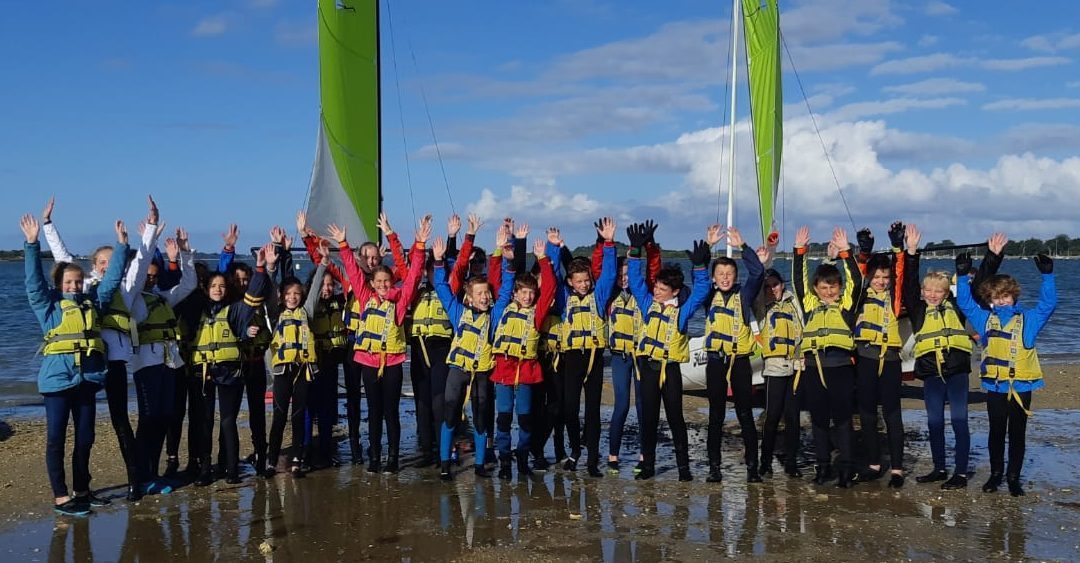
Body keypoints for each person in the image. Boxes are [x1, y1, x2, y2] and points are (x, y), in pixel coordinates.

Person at [41, 196, 160, 501]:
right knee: (84, 432)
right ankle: (82, 486)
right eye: (102, 263)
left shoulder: (125, 287)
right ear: (94, 267)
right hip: (88, 365)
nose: (108, 266)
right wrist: (48, 226)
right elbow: (61, 258)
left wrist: (150, 227)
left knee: (120, 420)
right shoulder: (85, 288)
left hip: (115, 363)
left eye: (112, 262)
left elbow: (142, 259)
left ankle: (135, 480)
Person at [22, 213, 129, 515]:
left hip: (87, 380)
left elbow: (111, 281)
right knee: (56, 440)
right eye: (69, 281)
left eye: (78, 281)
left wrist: (122, 247)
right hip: (57, 383)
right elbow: (33, 282)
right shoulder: (48, 306)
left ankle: (82, 490)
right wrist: (32, 244)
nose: (74, 285)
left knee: (85, 439)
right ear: (59, 284)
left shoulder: (94, 302)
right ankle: (60, 496)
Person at [903, 227, 1006, 490]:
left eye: (939, 291)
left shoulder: (958, 308)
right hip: (931, 374)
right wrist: (911, 252)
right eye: (929, 291)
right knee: (934, 422)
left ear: (946, 293)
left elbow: (980, 285)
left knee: (959, 421)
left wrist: (992, 257)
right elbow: (908, 284)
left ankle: (960, 473)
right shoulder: (917, 310)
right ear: (923, 292)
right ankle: (939, 468)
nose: (933, 295)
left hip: (957, 371)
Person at [955, 246, 1056, 497]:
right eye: (996, 297)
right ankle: (995, 474)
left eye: (1005, 297)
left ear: (1014, 296)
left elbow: (1048, 304)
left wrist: (1048, 276)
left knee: (1017, 434)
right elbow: (964, 303)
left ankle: (1013, 478)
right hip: (995, 386)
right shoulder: (984, 320)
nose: (1001, 301)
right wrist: (961, 275)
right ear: (990, 299)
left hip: (1021, 386)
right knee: (996, 432)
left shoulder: (1029, 321)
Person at [331, 217, 427, 473]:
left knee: (390, 412)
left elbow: (414, 271)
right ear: (371, 284)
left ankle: (393, 458)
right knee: (373, 412)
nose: (384, 285)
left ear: (392, 283)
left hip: (393, 363)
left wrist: (417, 243)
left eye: (388, 281)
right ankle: (374, 456)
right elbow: (352, 270)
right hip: (368, 362)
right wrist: (342, 243)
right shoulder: (364, 296)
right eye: (379, 282)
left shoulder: (400, 300)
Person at [625, 222, 711, 481]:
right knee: (648, 419)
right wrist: (636, 250)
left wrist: (700, 267)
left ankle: (683, 468)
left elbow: (701, 292)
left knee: (675, 418)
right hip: (648, 367)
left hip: (670, 369)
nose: (657, 292)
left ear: (674, 292)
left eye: (662, 290)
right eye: (657, 288)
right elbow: (637, 280)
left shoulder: (683, 312)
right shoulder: (646, 302)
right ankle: (648, 465)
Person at [190, 245, 270, 485]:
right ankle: (205, 468)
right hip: (203, 371)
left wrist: (260, 267)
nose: (217, 290)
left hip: (228, 371)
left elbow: (254, 294)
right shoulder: (196, 308)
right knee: (205, 421)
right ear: (206, 288)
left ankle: (232, 469)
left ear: (228, 289)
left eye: (222, 286)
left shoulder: (234, 310)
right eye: (213, 286)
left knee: (227, 420)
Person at [128, 226, 197, 493]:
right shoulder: (133, 300)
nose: (151, 280)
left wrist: (185, 253)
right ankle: (141, 475)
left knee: (164, 417)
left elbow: (189, 284)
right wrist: (150, 239)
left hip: (169, 364)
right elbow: (135, 274)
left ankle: (153, 473)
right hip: (147, 366)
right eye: (147, 276)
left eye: (155, 277)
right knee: (149, 419)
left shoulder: (162, 297)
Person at [792, 226, 863, 488]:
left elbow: (857, 280)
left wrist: (846, 252)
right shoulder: (810, 305)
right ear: (816, 288)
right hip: (813, 367)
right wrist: (800, 252)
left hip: (840, 367)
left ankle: (846, 470)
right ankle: (822, 467)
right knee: (818, 420)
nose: (829, 292)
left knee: (843, 420)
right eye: (824, 287)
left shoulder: (846, 306)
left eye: (833, 287)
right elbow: (798, 282)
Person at [701, 225, 765, 483]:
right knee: (715, 415)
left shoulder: (744, 295)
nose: (725, 277)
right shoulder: (708, 297)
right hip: (716, 362)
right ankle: (714, 468)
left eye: (729, 273)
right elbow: (698, 279)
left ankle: (752, 468)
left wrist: (744, 246)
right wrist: (708, 248)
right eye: (720, 273)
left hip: (739, 363)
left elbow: (758, 272)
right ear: (714, 277)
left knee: (745, 414)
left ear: (735, 276)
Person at [490, 230, 556, 479]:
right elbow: (498, 282)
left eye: (531, 293)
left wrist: (543, 259)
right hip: (504, 372)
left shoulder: (537, 314)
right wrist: (499, 255)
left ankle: (522, 458)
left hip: (527, 373)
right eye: (523, 292)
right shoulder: (502, 308)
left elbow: (549, 288)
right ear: (516, 294)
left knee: (526, 421)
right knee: (504, 419)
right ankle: (504, 462)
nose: (528, 297)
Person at [431, 234, 496, 480]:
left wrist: (505, 255)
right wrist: (438, 262)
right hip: (458, 371)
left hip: (480, 374)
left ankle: (479, 465)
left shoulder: (494, 316)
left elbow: (507, 284)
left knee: (480, 418)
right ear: (469, 297)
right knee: (450, 416)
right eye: (479, 294)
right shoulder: (458, 312)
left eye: (486, 293)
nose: (484, 297)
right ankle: (445, 463)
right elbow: (442, 287)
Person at [558, 217, 617, 477]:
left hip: (594, 358)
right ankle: (575, 450)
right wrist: (552, 249)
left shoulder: (599, 295)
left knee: (593, 411)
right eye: (578, 281)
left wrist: (608, 243)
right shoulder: (563, 299)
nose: (583, 284)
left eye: (586, 280)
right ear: (570, 281)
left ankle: (592, 461)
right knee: (569, 408)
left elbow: (611, 274)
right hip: (571, 358)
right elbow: (550, 279)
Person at [264, 246, 328, 478]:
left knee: (299, 416)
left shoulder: (306, 312)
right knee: (279, 416)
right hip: (282, 371)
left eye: (296, 294)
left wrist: (323, 264)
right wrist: (270, 267)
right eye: (288, 294)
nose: (293, 297)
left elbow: (315, 290)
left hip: (303, 370)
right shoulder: (275, 313)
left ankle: (297, 460)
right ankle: (271, 461)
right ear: (282, 296)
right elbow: (269, 292)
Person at [851, 222, 907, 487]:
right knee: (868, 415)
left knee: (893, 415)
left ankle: (897, 469)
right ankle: (874, 463)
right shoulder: (861, 295)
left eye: (885, 277)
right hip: (865, 359)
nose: (882, 281)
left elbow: (900, 272)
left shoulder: (894, 297)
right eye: (877, 277)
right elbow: (858, 274)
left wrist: (898, 246)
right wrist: (864, 252)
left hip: (891, 361)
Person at [753, 263, 805, 479]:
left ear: (782, 285)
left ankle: (791, 462)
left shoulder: (794, 302)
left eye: (775, 285)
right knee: (772, 416)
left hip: (795, 367)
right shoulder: (761, 306)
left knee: (793, 418)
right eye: (767, 286)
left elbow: (803, 326)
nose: (772, 289)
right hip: (774, 368)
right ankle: (765, 461)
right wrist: (763, 264)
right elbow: (753, 290)